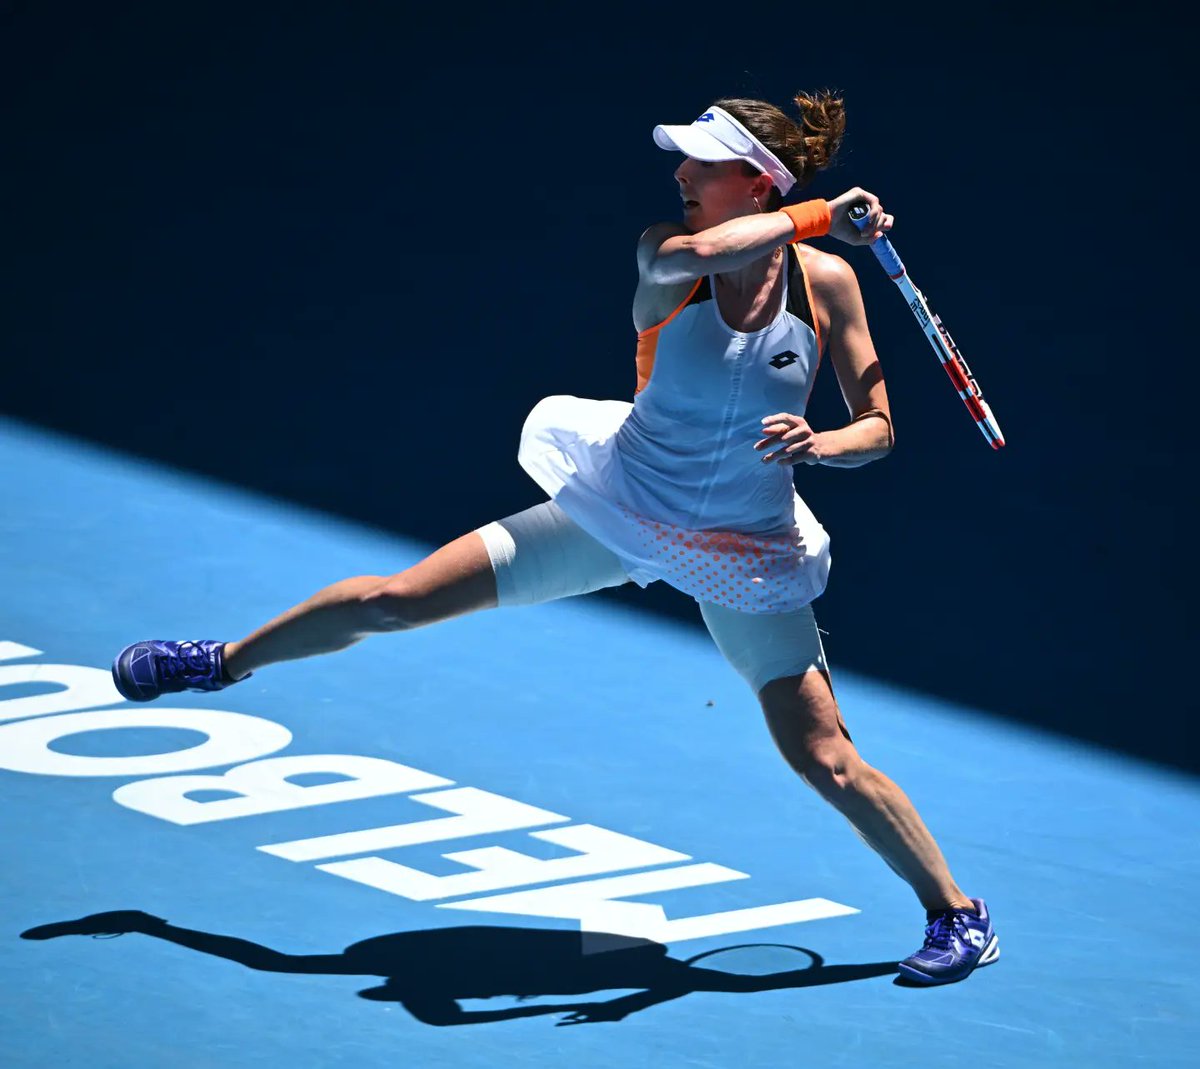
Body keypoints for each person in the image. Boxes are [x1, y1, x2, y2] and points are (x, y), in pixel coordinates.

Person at [110, 91, 998, 986]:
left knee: (826, 758)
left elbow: (878, 427)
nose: (681, 175)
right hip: (621, 505)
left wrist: (821, 444)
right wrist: (816, 213)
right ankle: (220, 662)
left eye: (703, 162)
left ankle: (957, 912)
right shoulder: (666, 253)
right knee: (396, 598)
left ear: (756, 181)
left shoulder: (828, 283)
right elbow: (705, 252)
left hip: (745, 549)